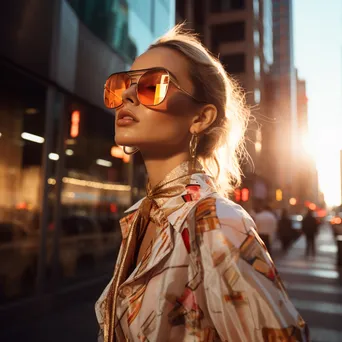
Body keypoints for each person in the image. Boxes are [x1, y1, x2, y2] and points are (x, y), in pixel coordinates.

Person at [96, 25, 309, 342]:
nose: (127, 95)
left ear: (200, 118)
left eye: (153, 85)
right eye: (123, 84)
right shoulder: (139, 217)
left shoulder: (216, 221)